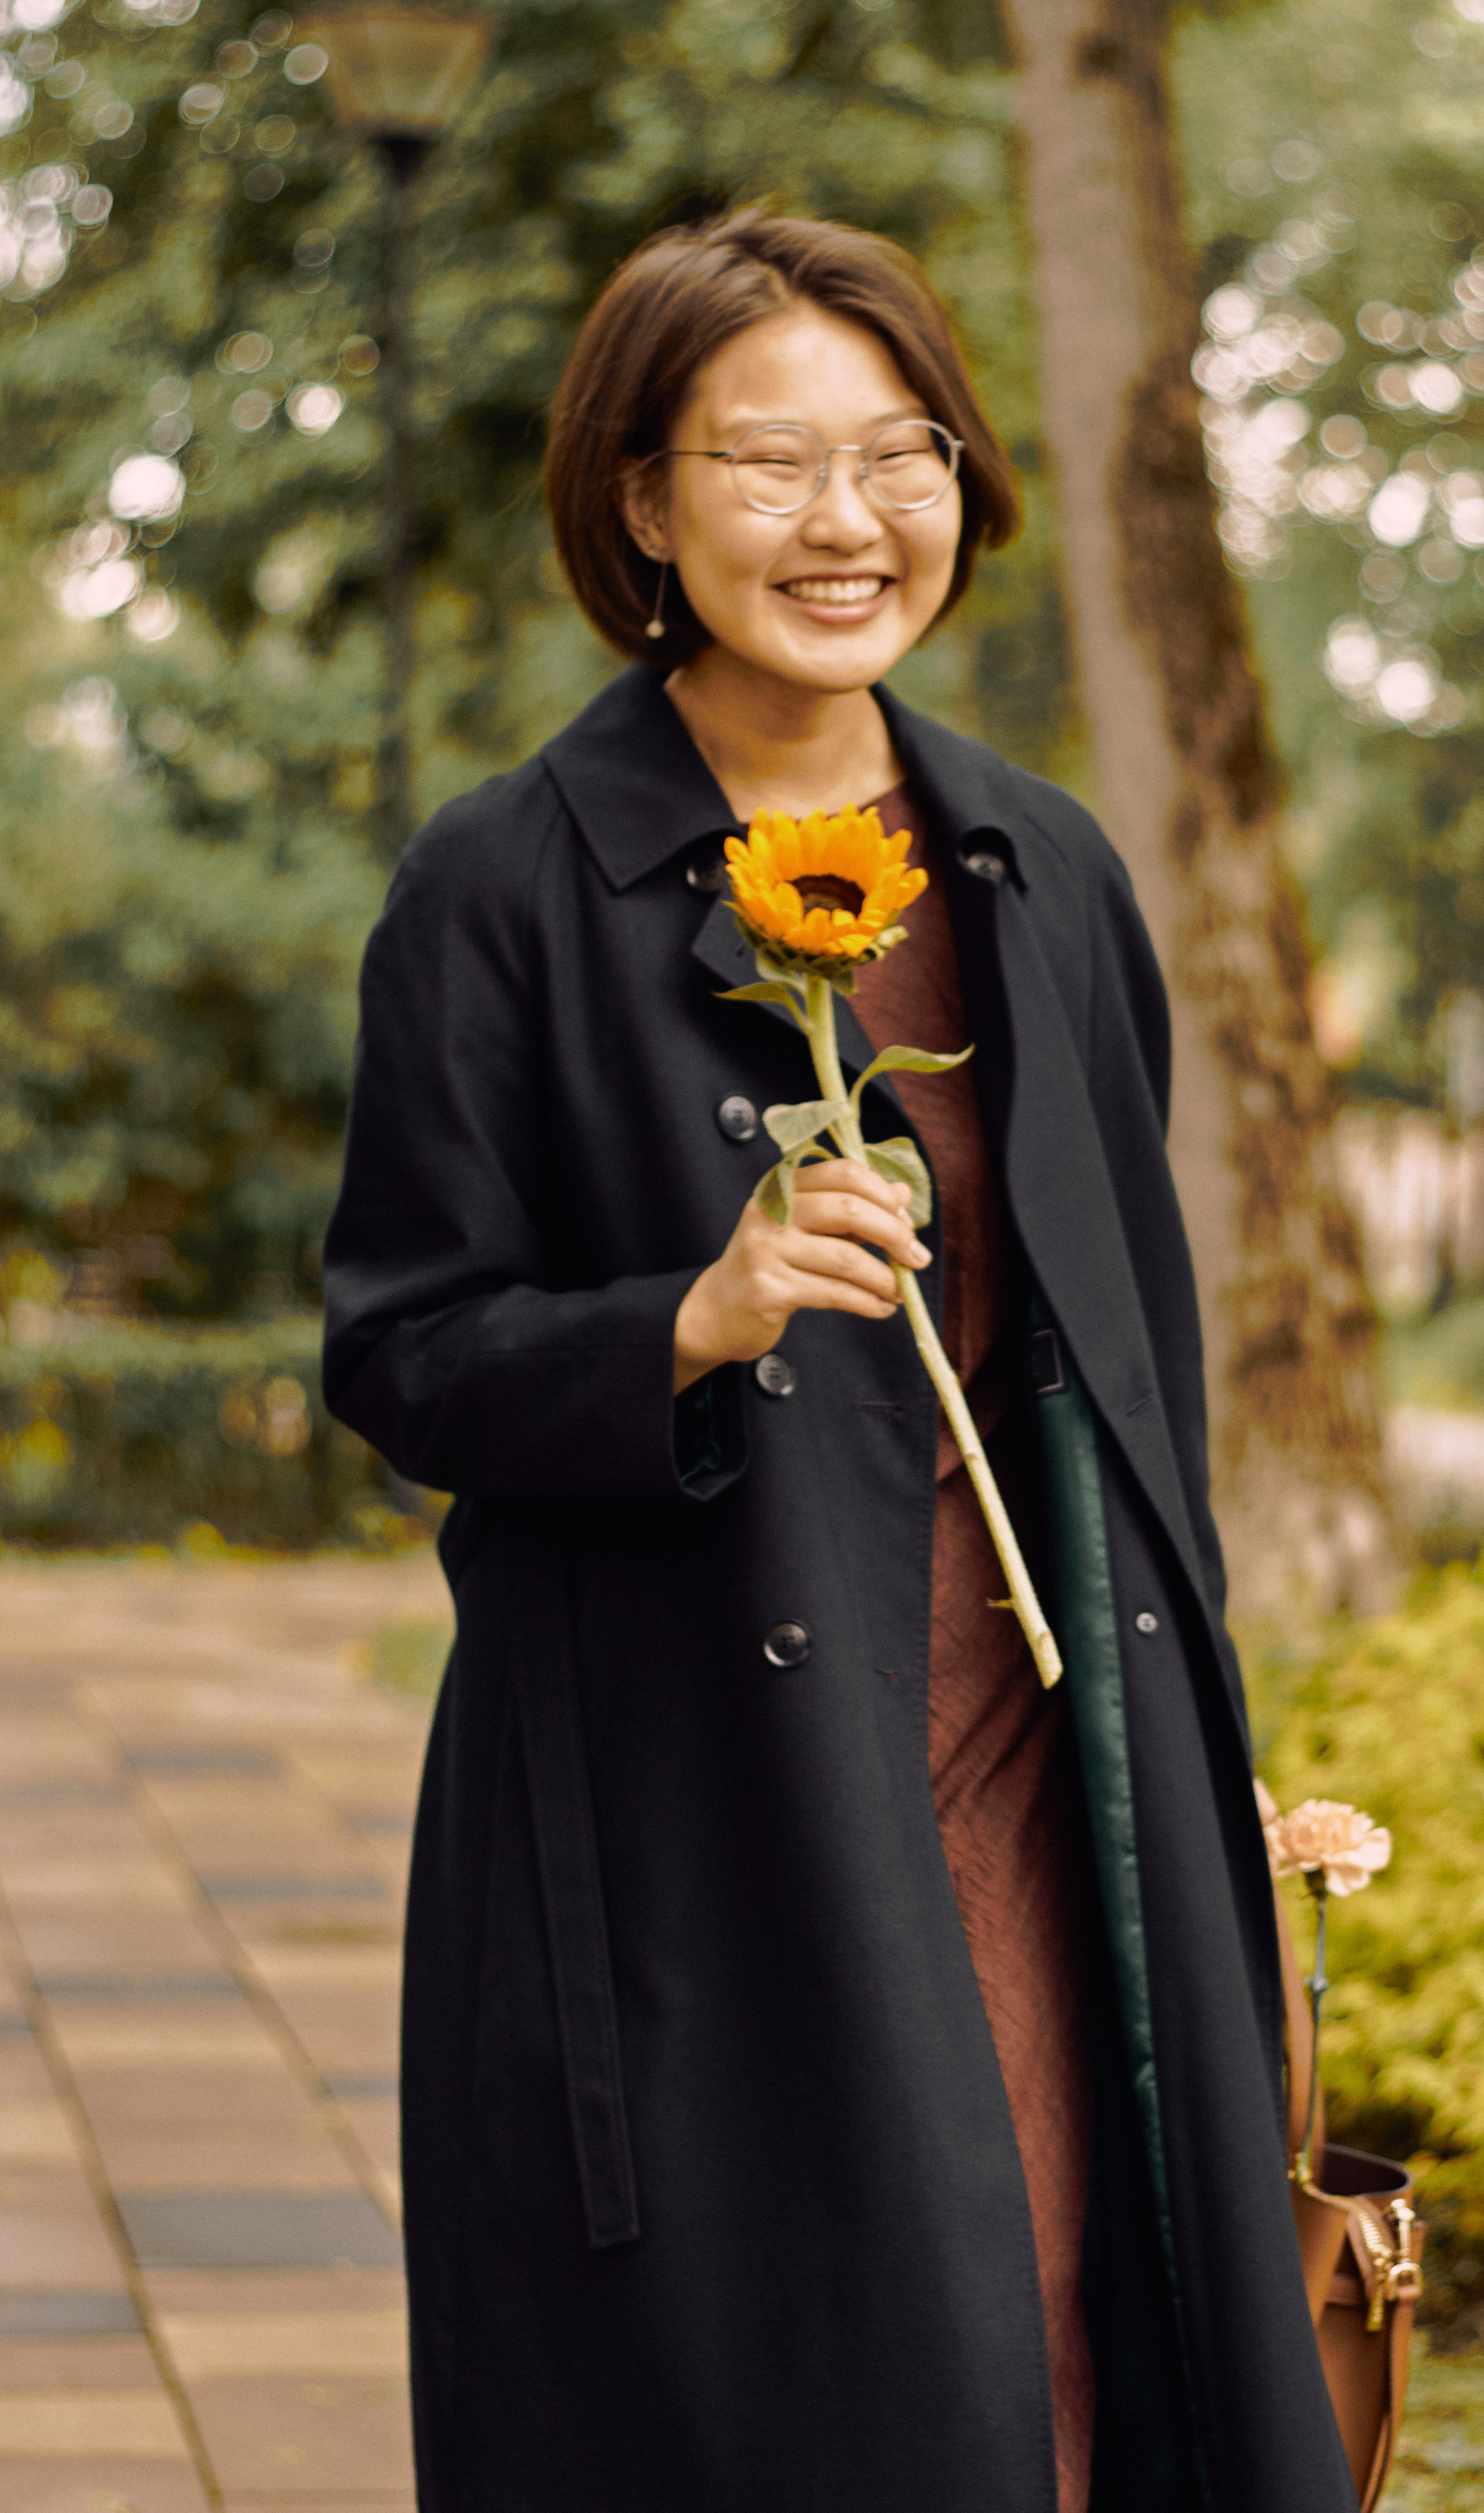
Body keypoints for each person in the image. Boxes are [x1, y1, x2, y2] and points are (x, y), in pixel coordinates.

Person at [321, 207, 1351, 2513]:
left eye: (902, 457)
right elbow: (402, 1354)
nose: (846, 522)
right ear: (641, 504)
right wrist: (690, 1315)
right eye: (769, 463)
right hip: (709, 1789)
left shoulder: (1040, 872)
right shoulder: (506, 887)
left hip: (1043, 1733)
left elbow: (1138, 1381)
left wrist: (1210, 1790)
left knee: (1093, 2309)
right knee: (830, 2371)